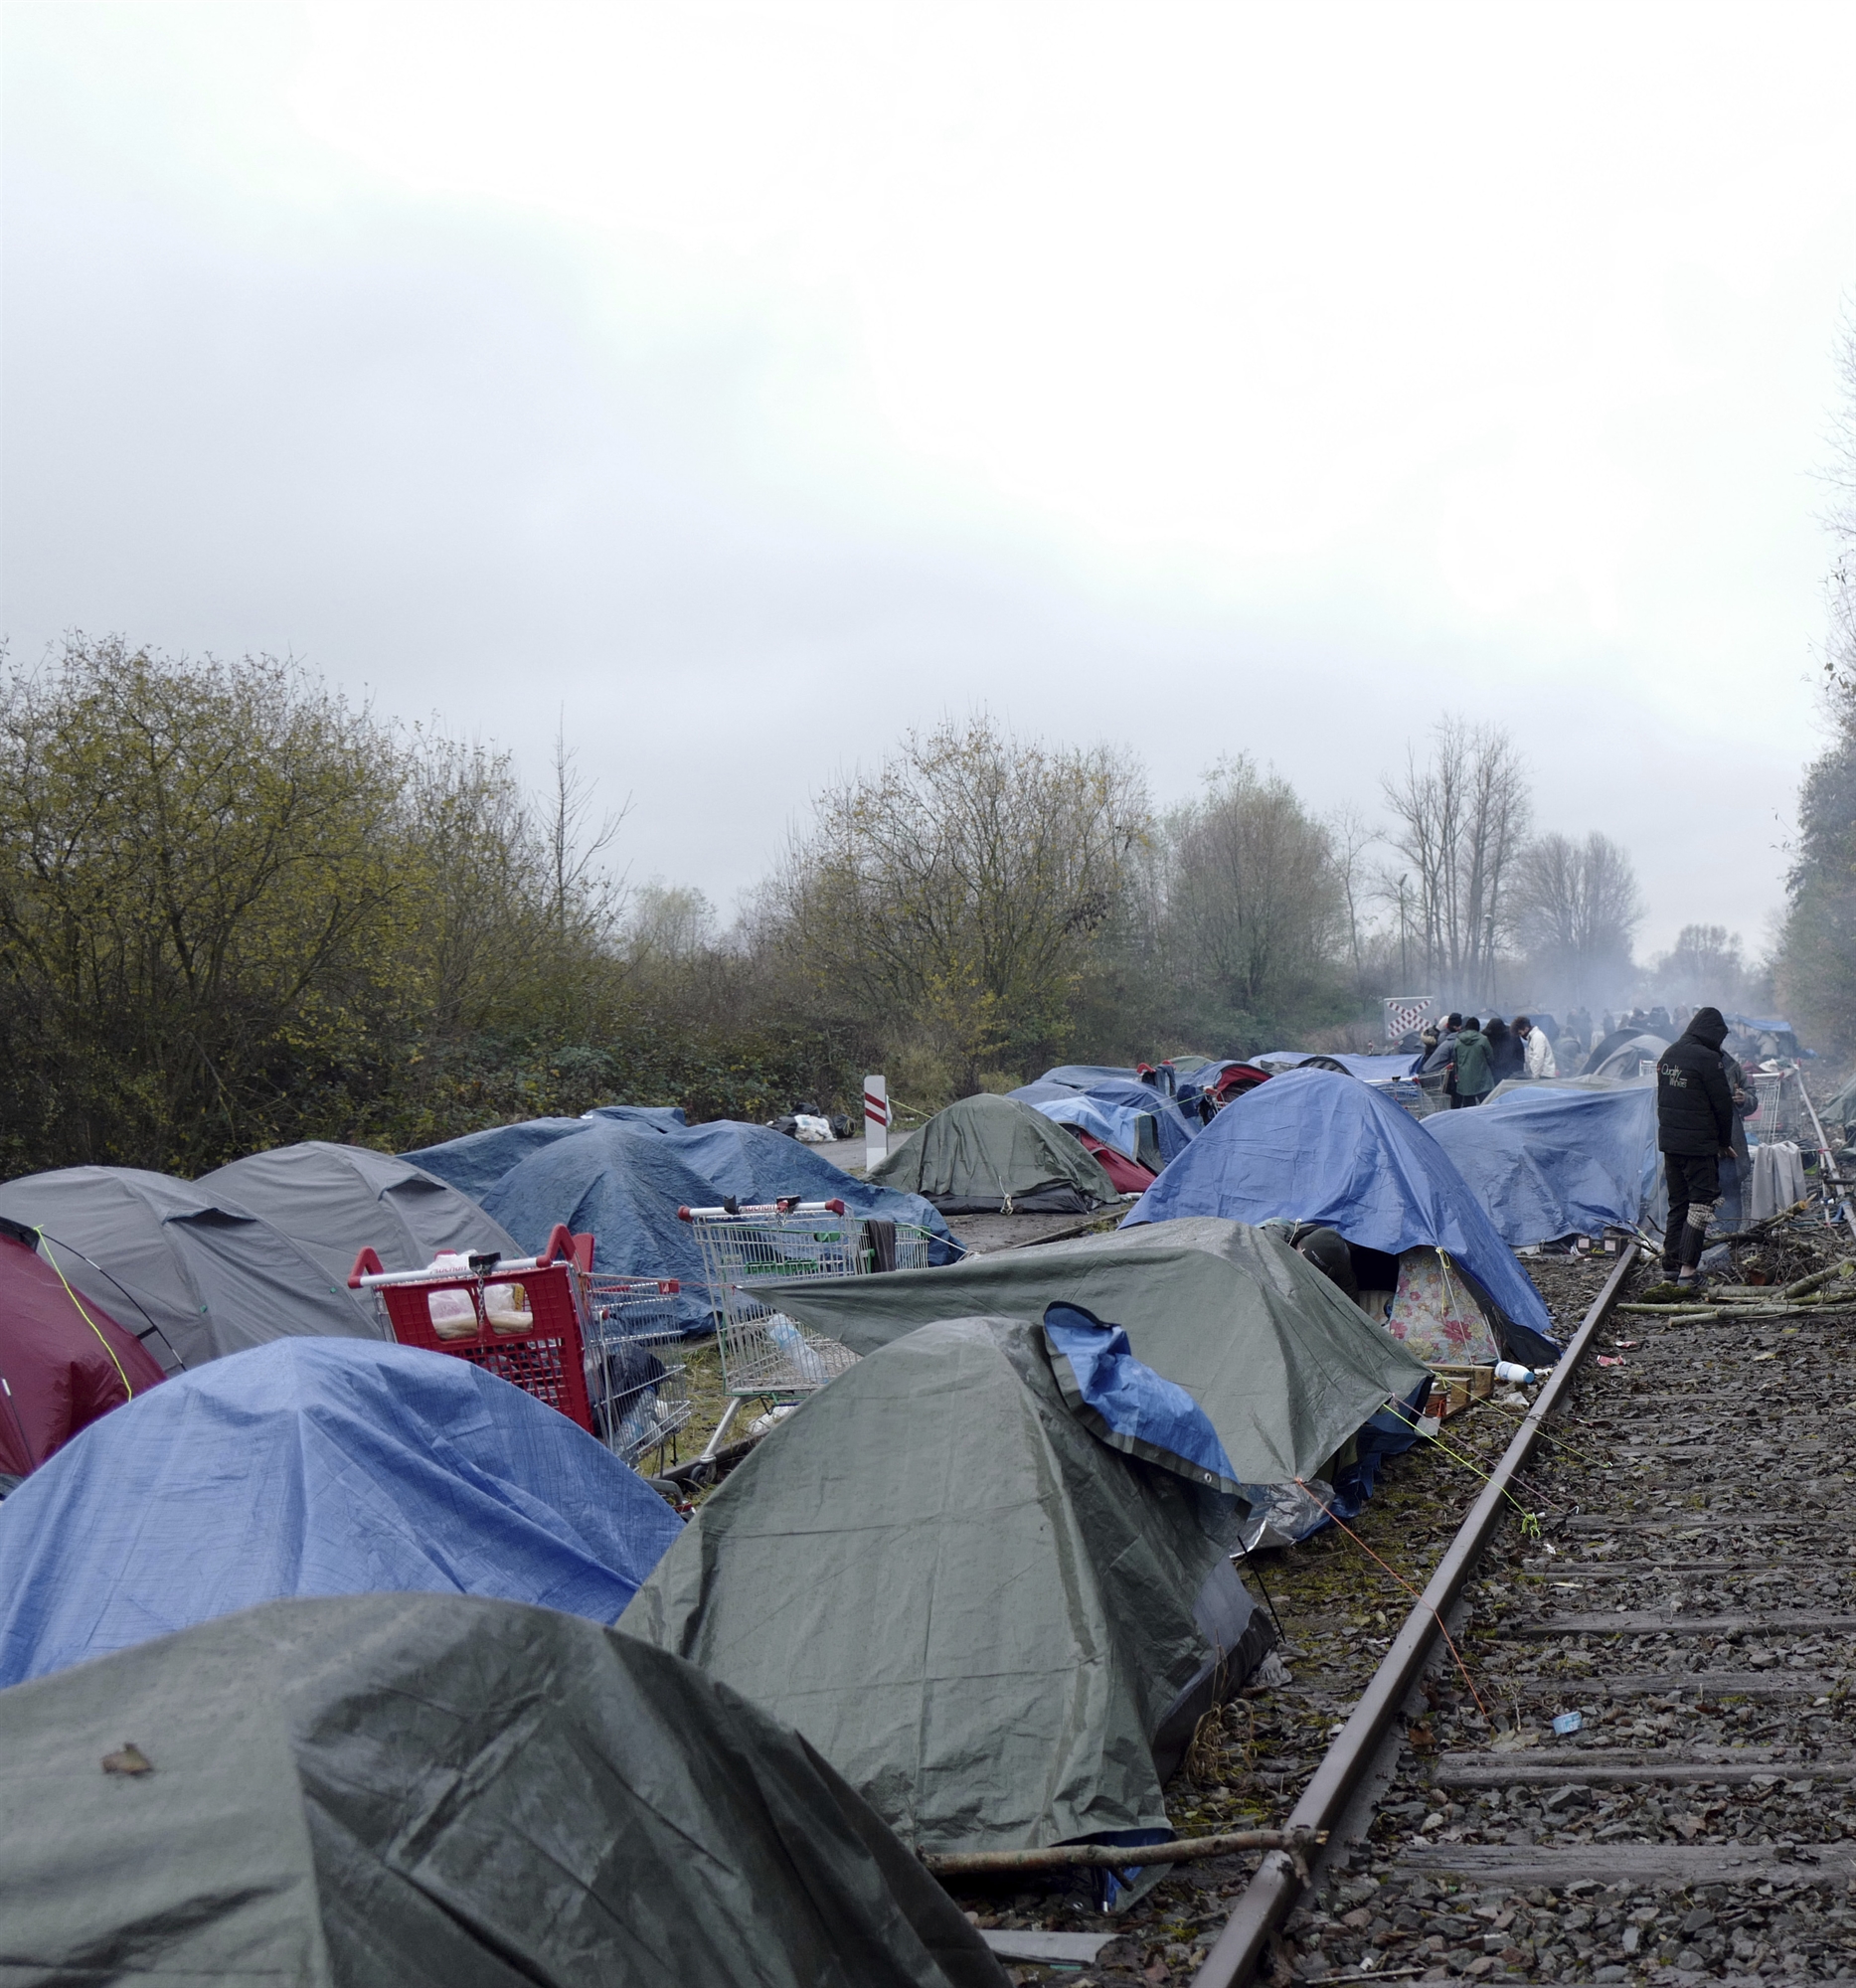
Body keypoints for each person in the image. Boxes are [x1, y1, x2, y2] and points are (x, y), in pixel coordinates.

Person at [1655, 1006, 1735, 1290]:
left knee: (1678, 1203)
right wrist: (1724, 1142)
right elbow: (1723, 1105)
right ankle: (1688, 1272)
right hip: (1698, 1146)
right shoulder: (1708, 1059)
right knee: (1701, 1204)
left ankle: (1670, 1265)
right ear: (1712, 1034)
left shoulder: (1669, 1054)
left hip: (1670, 1144)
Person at [1449, 1017, 1494, 1106]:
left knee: (1469, 1107)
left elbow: (1455, 1059)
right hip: (1482, 1079)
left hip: (1464, 1080)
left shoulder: (1458, 1040)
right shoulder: (1483, 1039)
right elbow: (1491, 1058)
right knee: (1486, 1105)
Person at [1515, 1014, 1557, 1079]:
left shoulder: (1537, 1037)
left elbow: (1538, 1057)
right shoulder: (1533, 1037)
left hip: (1544, 1075)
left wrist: (1535, 1076)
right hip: (1542, 1074)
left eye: (1520, 1033)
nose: (1521, 1035)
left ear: (1526, 1029)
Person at [1484, 1017, 1525, 1084]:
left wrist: (1518, 1067)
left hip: (1508, 1070)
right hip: (1495, 1071)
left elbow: (1520, 1053)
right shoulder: (1486, 1036)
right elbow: (1520, 1053)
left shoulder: (1512, 1035)